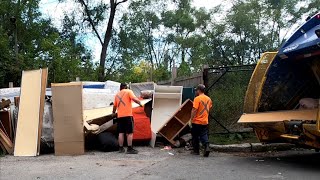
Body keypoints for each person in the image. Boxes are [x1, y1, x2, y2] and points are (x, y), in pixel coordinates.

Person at [113, 83, 142, 154]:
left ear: (120, 88)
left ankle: (121, 148)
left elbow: (114, 106)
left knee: (121, 132)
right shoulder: (128, 91)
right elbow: (134, 99)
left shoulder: (117, 95)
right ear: (126, 87)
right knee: (129, 133)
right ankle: (129, 148)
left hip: (120, 116)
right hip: (128, 116)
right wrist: (140, 103)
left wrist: (113, 112)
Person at [190, 84, 212, 157]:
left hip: (197, 121)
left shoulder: (197, 99)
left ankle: (196, 151)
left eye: (196, 90)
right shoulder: (209, 99)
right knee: (204, 134)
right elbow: (209, 107)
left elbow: (194, 110)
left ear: (199, 90)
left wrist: (191, 119)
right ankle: (207, 146)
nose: (196, 91)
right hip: (205, 121)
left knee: (195, 136)